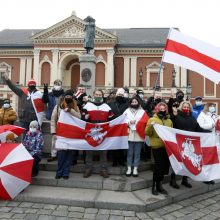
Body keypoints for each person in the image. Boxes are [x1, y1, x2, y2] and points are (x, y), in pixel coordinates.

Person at [171, 101, 207, 188]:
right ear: (181, 107)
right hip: (179, 143)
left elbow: (198, 129)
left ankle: (184, 179)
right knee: (176, 161)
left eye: (187, 107)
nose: (186, 108)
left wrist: (209, 133)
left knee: (187, 161)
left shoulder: (192, 118)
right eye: (184, 107)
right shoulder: (177, 116)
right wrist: (174, 116)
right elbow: (171, 125)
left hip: (190, 145)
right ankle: (173, 180)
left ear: (190, 108)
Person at [82, 89, 114, 178]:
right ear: (93, 94)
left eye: (100, 95)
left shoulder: (106, 106)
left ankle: (103, 169)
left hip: (102, 132)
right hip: (90, 132)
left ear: (102, 96)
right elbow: (82, 118)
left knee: (103, 151)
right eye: (96, 94)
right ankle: (88, 169)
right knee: (89, 151)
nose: (98, 96)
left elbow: (111, 119)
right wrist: (85, 118)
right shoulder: (87, 105)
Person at [51, 90, 81, 179]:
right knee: (61, 155)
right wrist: (53, 132)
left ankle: (66, 173)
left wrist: (71, 110)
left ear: (72, 97)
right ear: (64, 97)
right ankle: (59, 172)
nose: (68, 98)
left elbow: (79, 117)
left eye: (70, 96)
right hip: (61, 133)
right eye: (66, 96)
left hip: (71, 134)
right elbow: (53, 119)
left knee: (69, 155)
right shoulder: (58, 107)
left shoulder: (75, 106)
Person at [145, 102, 172, 195]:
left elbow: (171, 133)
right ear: (157, 110)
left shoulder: (169, 121)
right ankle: (154, 186)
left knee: (164, 166)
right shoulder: (152, 119)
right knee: (158, 166)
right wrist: (150, 126)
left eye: (164, 109)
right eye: (160, 109)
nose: (162, 110)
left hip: (166, 146)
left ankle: (160, 185)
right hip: (156, 146)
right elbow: (147, 133)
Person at [124, 97, 148, 177]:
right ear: (130, 103)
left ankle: (135, 168)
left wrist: (138, 123)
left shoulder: (142, 111)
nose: (134, 103)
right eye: (133, 102)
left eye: (135, 102)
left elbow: (146, 121)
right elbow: (123, 119)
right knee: (130, 153)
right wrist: (129, 121)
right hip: (129, 133)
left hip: (139, 134)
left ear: (138, 102)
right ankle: (129, 168)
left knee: (137, 153)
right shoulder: (127, 111)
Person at [42, 79, 65, 162]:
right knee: (54, 138)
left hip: (63, 118)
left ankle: (61, 155)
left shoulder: (64, 94)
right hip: (52, 117)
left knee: (63, 138)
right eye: (56, 83)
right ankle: (53, 154)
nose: (57, 85)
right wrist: (45, 90)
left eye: (59, 84)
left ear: (61, 85)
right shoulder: (50, 94)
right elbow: (44, 100)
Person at [108, 88, 129, 167]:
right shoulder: (111, 104)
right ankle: (114, 161)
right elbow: (109, 114)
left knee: (122, 143)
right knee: (114, 143)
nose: (120, 96)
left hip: (124, 126)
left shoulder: (127, 104)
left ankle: (122, 160)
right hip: (114, 126)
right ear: (116, 95)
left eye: (122, 95)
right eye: (119, 94)